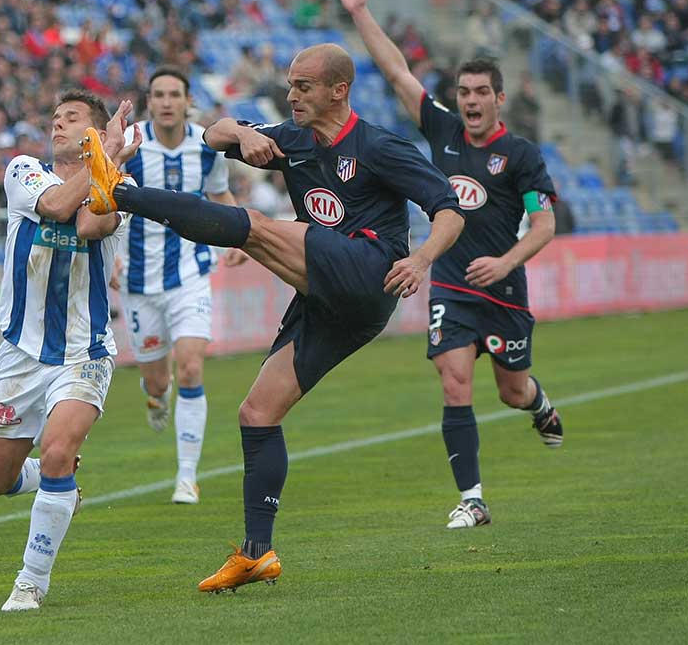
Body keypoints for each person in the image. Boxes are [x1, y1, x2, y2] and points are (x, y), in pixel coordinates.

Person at [82, 43, 464, 592]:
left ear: (339, 90)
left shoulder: (380, 146)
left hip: (370, 269)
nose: (291, 95)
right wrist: (243, 133)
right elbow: (211, 133)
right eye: (289, 84)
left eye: (303, 86)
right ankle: (257, 553)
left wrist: (422, 258)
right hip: (334, 303)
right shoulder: (291, 138)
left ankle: (116, 192)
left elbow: (449, 209)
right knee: (257, 412)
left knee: (257, 226)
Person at [335, 0, 563, 531]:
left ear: (499, 99)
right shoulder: (442, 132)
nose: (470, 101)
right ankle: (473, 499)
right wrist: (361, 10)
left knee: (511, 391)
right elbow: (395, 72)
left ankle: (538, 404)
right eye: (463, 92)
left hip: (504, 287)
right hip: (453, 286)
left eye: (481, 92)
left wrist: (506, 261)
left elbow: (543, 225)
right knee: (453, 380)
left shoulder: (521, 156)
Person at [0, 90, 140, 612]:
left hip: (83, 351)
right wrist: (104, 159)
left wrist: (107, 165)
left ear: (95, 132)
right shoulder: (24, 171)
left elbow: (90, 225)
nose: (58, 125)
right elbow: (57, 207)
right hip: (21, 355)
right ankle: (51, 479)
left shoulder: (125, 186)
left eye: (73, 120)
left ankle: (30, 582)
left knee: (60, 448)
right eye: (56, 118)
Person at [112, 66, 245, 505]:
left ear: (188, 101)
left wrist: (239, 235)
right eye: (158, 94)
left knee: (189, 365)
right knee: (156, 380)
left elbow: (221, 196)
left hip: (190, 273)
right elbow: (105, 197)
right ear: (149, 101)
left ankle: (187, 476)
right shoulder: (131, 146)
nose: (166, 102)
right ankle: (156, 394)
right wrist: (109, 256)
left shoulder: (206, 147)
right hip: (137, 279)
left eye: (174, 94)